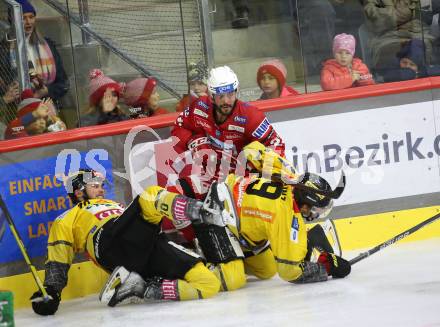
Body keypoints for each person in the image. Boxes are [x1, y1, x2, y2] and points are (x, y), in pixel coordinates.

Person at [97, 142, 351, 307]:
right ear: (305, 204)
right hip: (218, 214)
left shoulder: (288, 175)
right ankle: (156, 280)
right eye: (316, 210)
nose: (315, 215)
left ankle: (220, 256)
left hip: (236, 214)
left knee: (265, 268)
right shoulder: (290, 219)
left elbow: (251, 149)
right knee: (232, 279)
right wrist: (326, 268)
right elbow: (290, 271)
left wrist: (277, 168)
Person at [30, 169, 226, 316]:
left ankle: (141, 288)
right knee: (150, 196)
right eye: (94, 186)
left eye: (101, 185)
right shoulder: (68, 217)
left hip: (146, 247)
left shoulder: (115, 205)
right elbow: (58, 258)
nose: (101, 189)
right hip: (110, 243)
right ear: (79, 191)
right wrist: (51, 292)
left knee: (208, 283)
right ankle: (202, 212)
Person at [171, 65, 285, 198]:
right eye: (221, 96)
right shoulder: (199, 107)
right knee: (172, 196)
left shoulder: (251, 116)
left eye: (231, 94)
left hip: (244, 182)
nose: (226, 101)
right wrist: (194, 141)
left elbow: (277, 145)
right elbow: (179, 127)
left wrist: (260, 165)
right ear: (211, 96)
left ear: (236, 92)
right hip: (210, 178)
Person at [16, 0, 69, 108]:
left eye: (31, 17)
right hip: (18, 107)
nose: (28, 22)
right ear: (14, 20)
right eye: (23, 18)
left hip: (47, 106)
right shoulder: (5, 49)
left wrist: (46, 91)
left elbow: (63, 83)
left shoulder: (48, 45)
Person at [363, 0, 435, 72]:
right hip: (387, 37)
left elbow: (425, 13)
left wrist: (389, 12)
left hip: (416, 32)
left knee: (421, 48)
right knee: (389, 57)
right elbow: (378, 21)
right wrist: (409, 12)